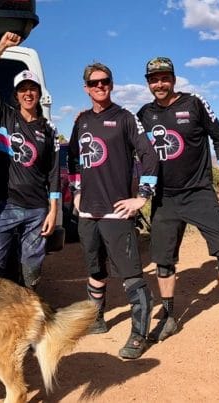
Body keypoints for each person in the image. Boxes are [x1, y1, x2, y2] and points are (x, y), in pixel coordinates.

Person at [137, 57, 219, 350]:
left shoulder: (194, 104)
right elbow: (131, 147)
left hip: (199, 193)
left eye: (164, 78)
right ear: (148, 83)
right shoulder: (144, 114)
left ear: (173, 79)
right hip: (164, 198)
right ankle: (169, 316)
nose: (159, 84)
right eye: (154, 79)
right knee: (164, 260)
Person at [67, 62, 159, 359]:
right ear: (86, 88)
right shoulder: (81, 121)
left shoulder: (124, 118)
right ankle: (97, 319)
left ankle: (139, 334)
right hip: (87, 213)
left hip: (117, 213)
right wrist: (77, 191)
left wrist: (142, 196)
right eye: (94, 83)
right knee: (95, 270)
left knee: (131, 274)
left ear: (112, 84)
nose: (100, 86)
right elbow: (73, 158)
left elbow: (149, 155)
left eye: (105, 81)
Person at [0, 31, 60, 290]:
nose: (28, 93)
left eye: (32, 88)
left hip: (37, 209)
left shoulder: (49, 130)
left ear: (39, 93)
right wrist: (1, 47)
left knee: (31, 269)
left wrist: (53, 210)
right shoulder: (5, 115)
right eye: (23, 89)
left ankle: (26, 306)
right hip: (5, 204)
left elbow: (53, 173)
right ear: (16, 95)